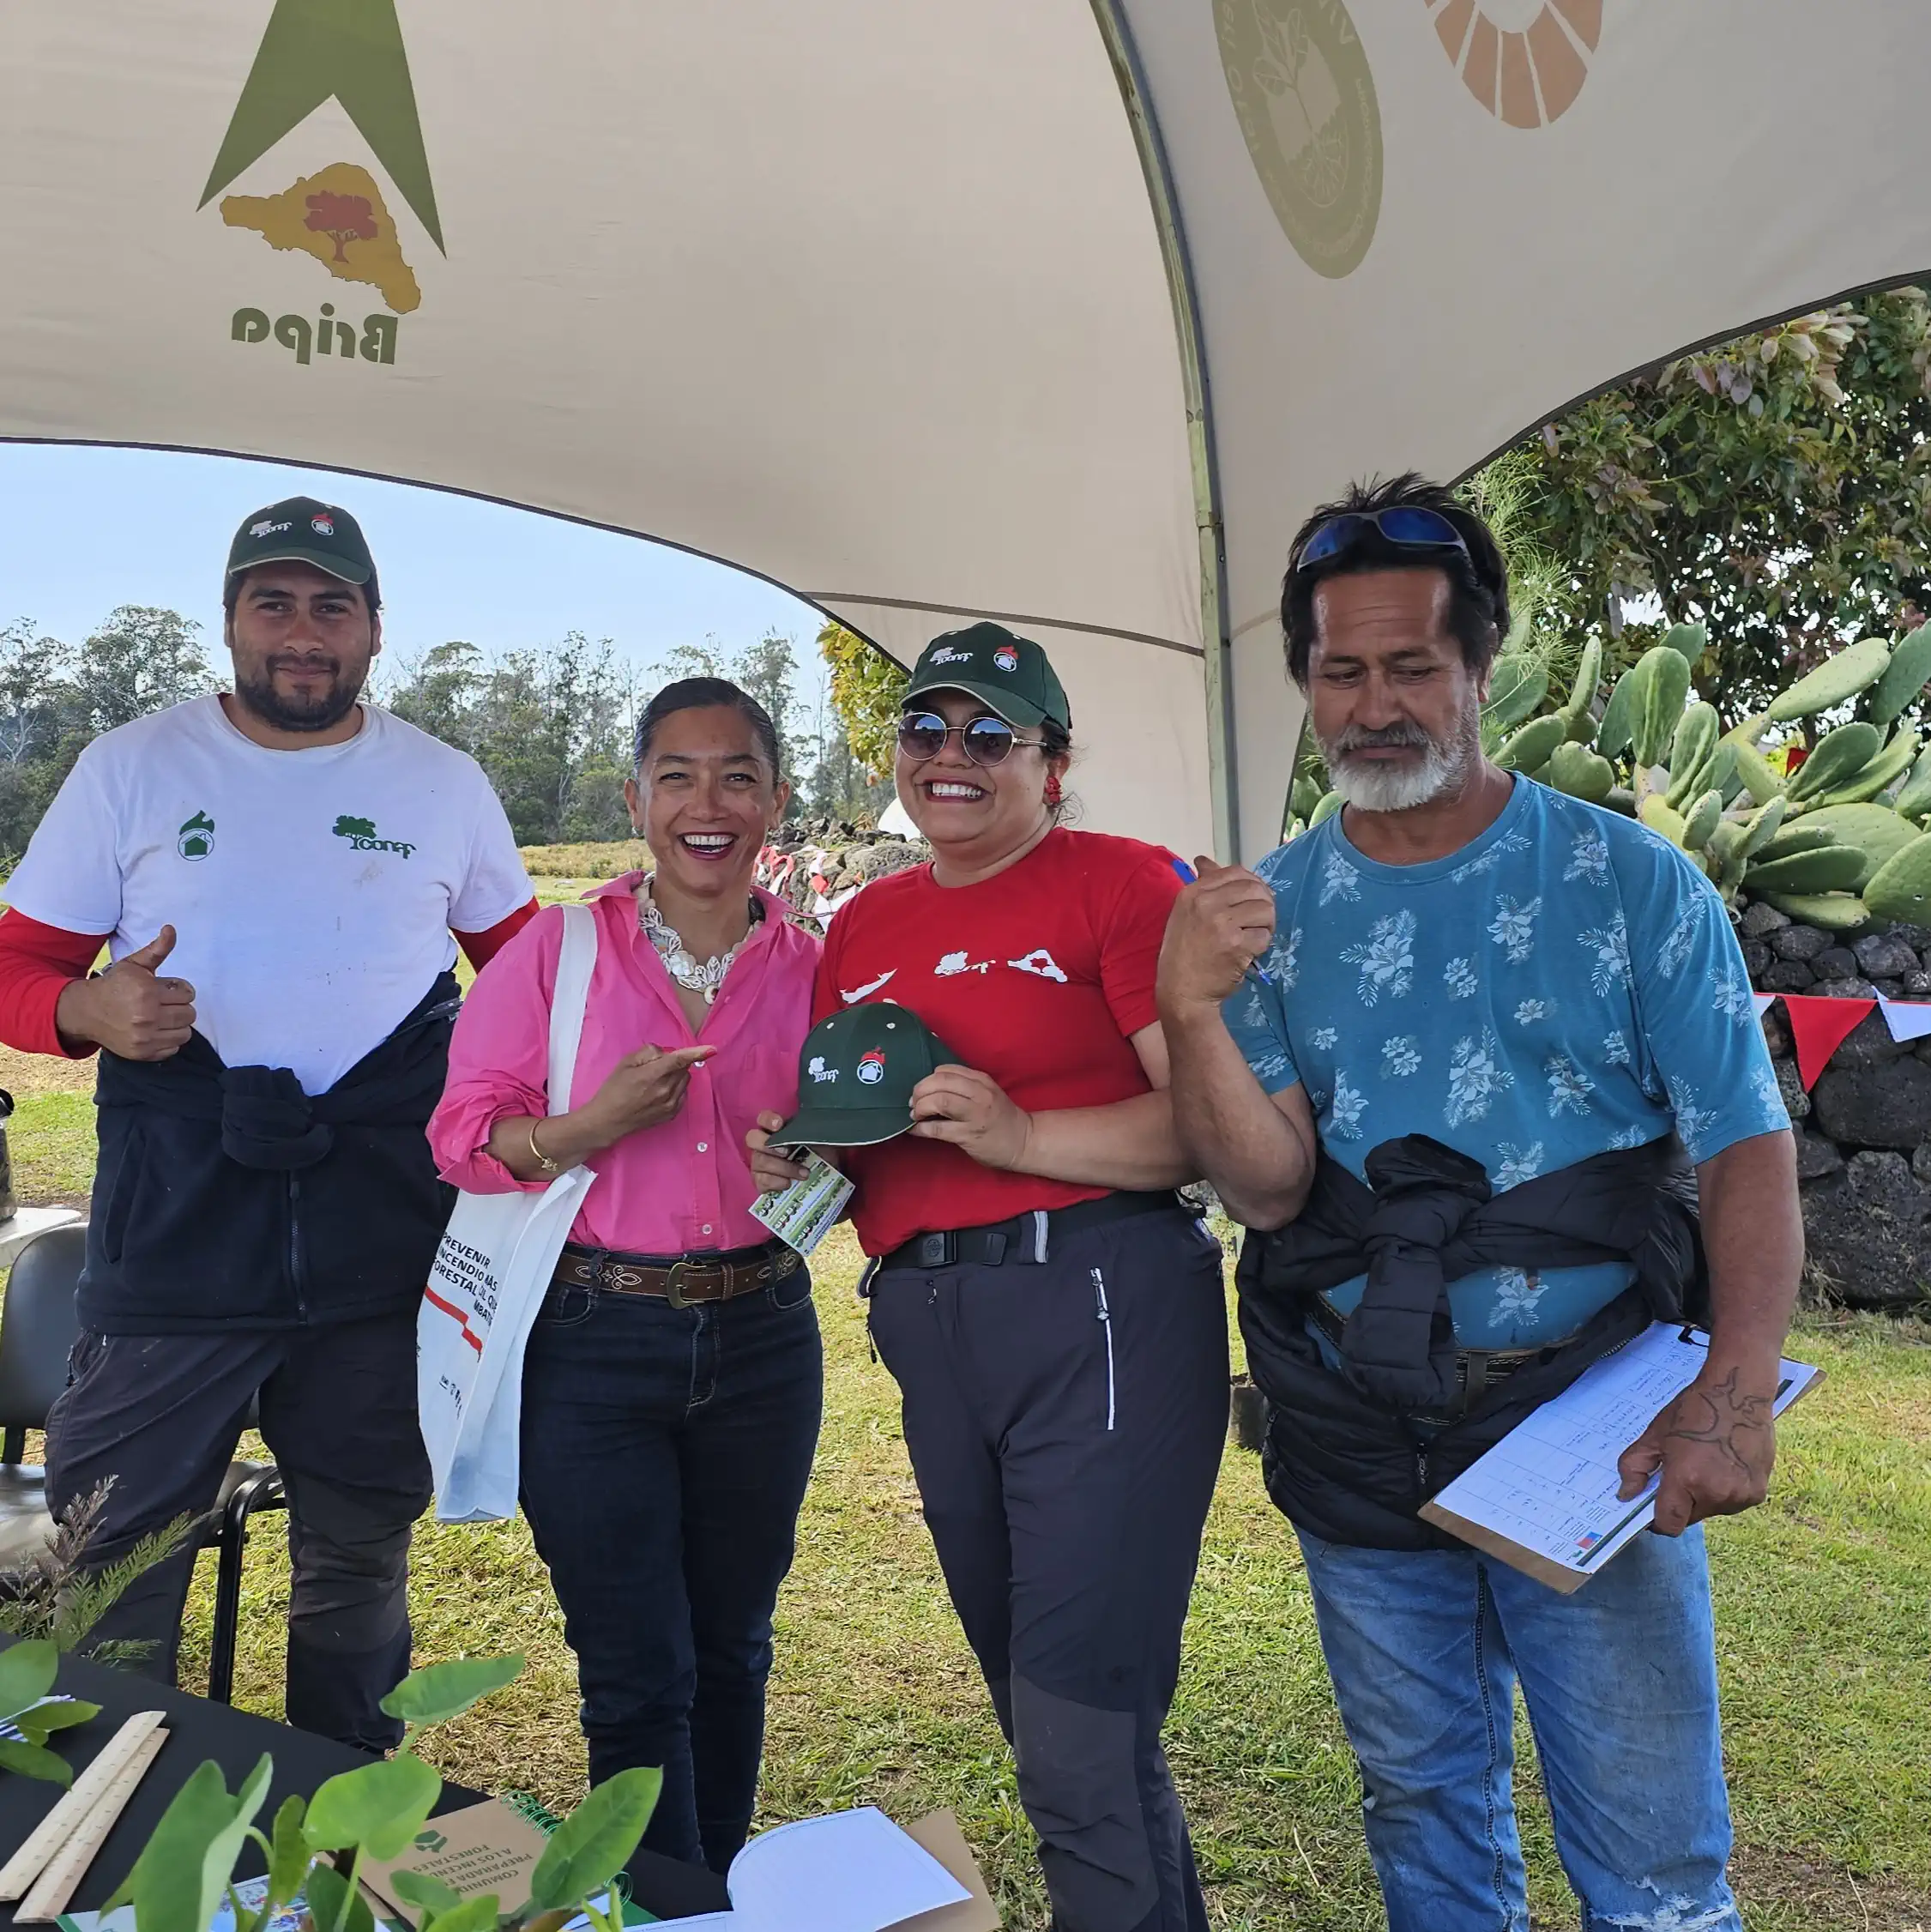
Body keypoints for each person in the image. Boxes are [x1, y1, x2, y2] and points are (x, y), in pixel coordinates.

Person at [1156, 474, 1801, 1932]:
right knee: (1422, 1801)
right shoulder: (1271, 912)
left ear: (1479, 669)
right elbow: (1264, 1184)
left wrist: (1734, 1392)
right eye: (1340, 671)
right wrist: (1188, 1010)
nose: (1373, 704)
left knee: (1651, 1856)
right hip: (1356, 1420)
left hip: (1592, 1420)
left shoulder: (1625, 883)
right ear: (1304, 685)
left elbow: (1742, 1145)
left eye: (1410, 667)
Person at [0, 497, 536, 1749]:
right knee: (119, 1568)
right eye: (276, 603)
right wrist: (86, 1006)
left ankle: (340, 1822)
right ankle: (112, 1835)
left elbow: (527, 984)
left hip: (377, 1247)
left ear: (374, 630)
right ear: (233, 617)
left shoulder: (441, 783)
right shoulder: (132, 767)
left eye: (331, 607)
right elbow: (15, 965)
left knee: (358, 1561)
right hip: (177, 1239)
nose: (304, 633)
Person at [750, 624, 1228, 1932]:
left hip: (1096, 1303)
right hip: (929, 1325)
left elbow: (1203, 1123)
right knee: (1048, 1712)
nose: (947, 757)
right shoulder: (866, 924)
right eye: (923, 729)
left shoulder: (1124, 884)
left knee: (1080, 1728)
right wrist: (796, 1153)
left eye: (987, 735)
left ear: (1052, 764)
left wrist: (1023, 1137)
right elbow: (863, 1137)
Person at [429, 678, 820, 1871]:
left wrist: (814, 1165)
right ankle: (660, 1905)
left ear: (775, 800)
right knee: (636, 1669)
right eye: (678, 776)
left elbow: (847, 1171)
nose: (709, 804)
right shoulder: (559, 950)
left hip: (762, 1338)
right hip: (593, 1340)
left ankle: (710, 1889)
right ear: (635, 797)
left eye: (738, 776)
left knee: (733, 1648)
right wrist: (584, 1126)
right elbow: (462, 1134)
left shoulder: (815, 969)